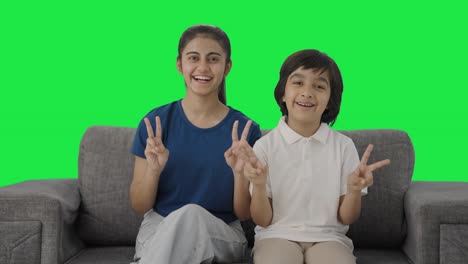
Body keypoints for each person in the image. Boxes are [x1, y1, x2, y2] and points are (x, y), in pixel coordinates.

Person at [232, 49, 391, 264]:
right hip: (276, 236)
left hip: (329, 239)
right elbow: (263, 220)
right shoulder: (265, 146)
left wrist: (353, 191)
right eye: (298, 83)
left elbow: (347, 217)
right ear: (282, 93)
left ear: (330, 100)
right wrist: (259, 185)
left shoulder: (343, 146)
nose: (307, 92)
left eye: (319, 86)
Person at [129, 24, 261, 264]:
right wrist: (154, 171)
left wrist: (239, 175)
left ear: (227, 67)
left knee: (191, 215)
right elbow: (140, 205)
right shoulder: (155, 123)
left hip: (222, 231)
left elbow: (244, 214)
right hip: (159, 227)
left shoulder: (246, 131)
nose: (202, 67)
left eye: (213, 59)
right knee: (182, 229)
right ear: (180, 64)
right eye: (193, 58)